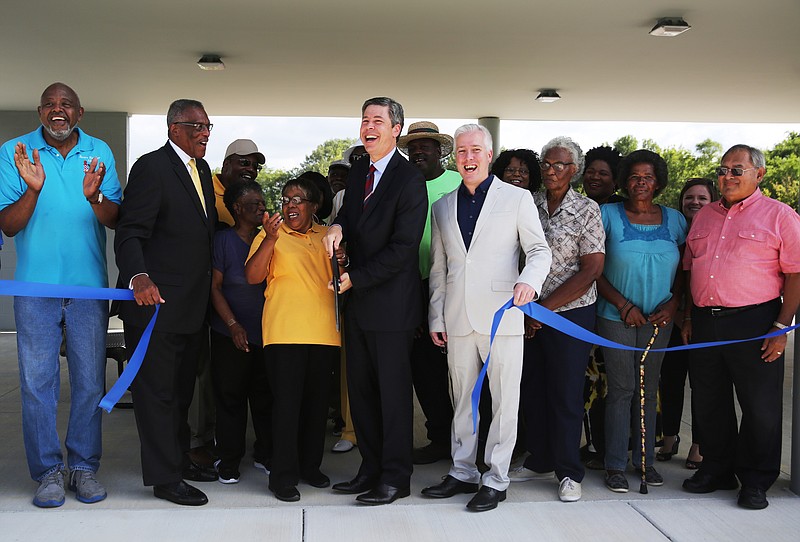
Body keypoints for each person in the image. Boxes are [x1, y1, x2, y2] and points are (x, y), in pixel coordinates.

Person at [0, 82, 122, 508]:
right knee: (37, 385)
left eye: (65, 104)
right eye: (50, 104)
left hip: (89, 288)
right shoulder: (15, 152)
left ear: (79, 113)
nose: (57, 110)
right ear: (39, 111)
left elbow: (114, 218)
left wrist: (95, 196)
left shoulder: (100, 150)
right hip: (35, 289)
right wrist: (32, 188)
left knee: (89, 382)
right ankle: (48, 472)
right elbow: (9, 225)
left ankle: (84, 467)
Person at [424, 124, 551, 512]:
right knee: (461, 399)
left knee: (503, 401)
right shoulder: (442, 205)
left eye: (476, 150)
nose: (468, 158)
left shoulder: (516, 198)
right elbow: (439, 268)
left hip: (503, 315)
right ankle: (462, 471)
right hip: (456, 317)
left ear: (489, 154)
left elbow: (539, 250)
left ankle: (496, 478)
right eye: (462, 151)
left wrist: (529, 282)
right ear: (455, 158)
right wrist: (436, 317)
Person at [681, 144, 800, 510]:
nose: (727, 177)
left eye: (737, 170)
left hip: (756, 320)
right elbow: (689, 268)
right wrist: (687, 316)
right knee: (709, 401)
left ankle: (755, 479)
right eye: (723, 170)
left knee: (759, 406)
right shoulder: (705, 217)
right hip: (704, 321)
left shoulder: (781, 216)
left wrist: (781, 327)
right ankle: (717, 469)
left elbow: (795, 274)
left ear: (758, 174)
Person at [322, 97, 427, 506]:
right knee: (361, 393)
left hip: (392, 307)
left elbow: (403, 248)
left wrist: (355, 279)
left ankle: (396, 477)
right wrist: (336, 228)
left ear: (395, 128)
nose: (368, 126)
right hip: (358, 304)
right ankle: (371, 468)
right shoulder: (360, 169)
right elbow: (350, 216)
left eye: (377, 120)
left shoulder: (409, 180)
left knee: (393, 396)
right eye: (364, 119)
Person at [115, 98, 217, 506]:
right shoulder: (152, 167)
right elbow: (130, 231)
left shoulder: (203, 170)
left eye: (208, 127)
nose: (204, 133)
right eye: (196, 127)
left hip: (192, 307)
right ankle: (164, 477)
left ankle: (178, 460)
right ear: (174, 128)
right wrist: (139, 276)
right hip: (156, 305)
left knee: (179, 392)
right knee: (157, 394)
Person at [508, 137, 605, 502]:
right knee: (532, 389)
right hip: (528, 311)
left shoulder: (587, 208)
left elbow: (592, 268)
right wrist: (530, 310)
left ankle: (568, 471)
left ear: (574, 170)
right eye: (547, 164)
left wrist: (543, 310)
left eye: (560, 165)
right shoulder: (527, 203)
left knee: (565, 393)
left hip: (570, 315)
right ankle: (541, 459)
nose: (552, 171)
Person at [246, 177, 343, 502]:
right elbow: (253, 276)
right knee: (286, 407)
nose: (290, 205)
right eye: (286, 199)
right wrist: (271, 240)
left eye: (298, 199)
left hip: (325, 334)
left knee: (316, 408)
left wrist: (342, 259)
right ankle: (282, 477)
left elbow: (340, 275)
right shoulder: (270, 233)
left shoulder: (327, 236)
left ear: (314, 206)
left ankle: (309, 468)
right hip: (283, 334)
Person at [596, 149, 687, 493]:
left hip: (658, 319)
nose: (641, 182)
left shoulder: (675, 219)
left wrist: (674, 303)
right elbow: (593, 268)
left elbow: (684, 270)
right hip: (616, 316)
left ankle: (645, 462)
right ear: (624, 180)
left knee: (649, 389)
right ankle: (616, 465)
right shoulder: (607, 214)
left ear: (659, 182)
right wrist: (622, 304)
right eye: (634, 176)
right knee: (622, 389)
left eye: (648, 177)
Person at [397, 121, 461, 465]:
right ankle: (439, 437)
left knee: (463, 369)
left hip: (457, 286)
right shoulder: (403, 184)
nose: (418, 152)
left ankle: (470, 443)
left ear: (441, 151)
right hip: (413, 285)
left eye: (426, 146)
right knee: (426, 370)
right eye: (413, 147)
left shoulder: (458, 183)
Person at [209, 180, 272, 484]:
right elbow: (215, 287)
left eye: (262, 204)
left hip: (268, 331)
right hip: (228, 331)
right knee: (230, 398)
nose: (261, 209)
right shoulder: (223, 240)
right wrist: (233, 325)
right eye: (253, 205)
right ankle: (229, 459)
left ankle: (265, 453)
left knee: (265, 397)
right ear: (236, 209)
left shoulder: (271, 238)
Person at [657, 178, 718, 469]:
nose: (694, 202)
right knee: (669, 381)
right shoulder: (674, 229)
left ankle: (698, 445)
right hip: (672, 317)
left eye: (702, 198)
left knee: (702, 385)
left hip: (702, 321)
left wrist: (690, 318)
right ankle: (669, 437)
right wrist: (678, 316)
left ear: (713, 202)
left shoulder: (717, 231)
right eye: (689, 198)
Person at [580, 145, 624, 470]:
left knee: (612, 383)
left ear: (615, 179)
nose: (595, 177)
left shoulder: (621, 210)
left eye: (603, 173)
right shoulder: (576, 207)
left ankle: (612, 448)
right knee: (587, 382)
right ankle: (593, 444)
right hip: (581, 310)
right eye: (591, 171)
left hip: (613, 311)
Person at [213, 139, 265, 227]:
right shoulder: (205, 191)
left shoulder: (254, 200)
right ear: (226, 164)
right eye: (244, 163)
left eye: (255, 166)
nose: (251, 169)